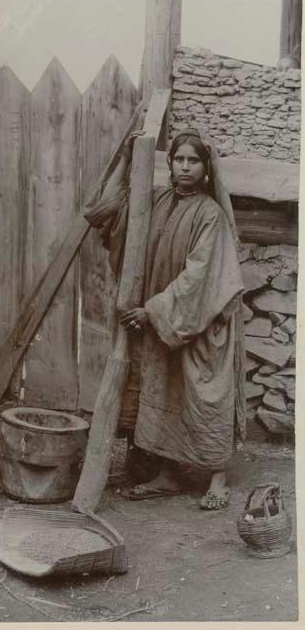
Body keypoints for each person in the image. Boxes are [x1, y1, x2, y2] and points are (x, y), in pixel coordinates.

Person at [83, 128, 246, 510]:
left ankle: (218, 478)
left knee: (205, 394)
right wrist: (124, 158)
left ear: (206, 168)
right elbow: (99, 213)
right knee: (165, 390)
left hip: (201, 323)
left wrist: (154, 310)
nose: (185, 167)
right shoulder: (153, 202)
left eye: (194, 160)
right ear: (169, 163)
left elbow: (201, 276)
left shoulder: (211, 216)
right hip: (162, 323)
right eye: (179, 159)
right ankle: (169, 474)